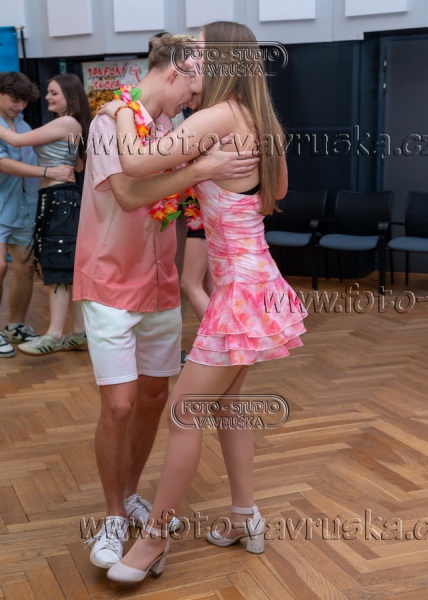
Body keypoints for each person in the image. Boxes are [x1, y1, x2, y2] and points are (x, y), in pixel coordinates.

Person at [99, 20, 307, 584]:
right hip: (257, 282)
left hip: (239, 290)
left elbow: (136, 164)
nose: (190, 60)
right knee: (227, 405)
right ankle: (245, 517)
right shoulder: (259, 118)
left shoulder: (216, 117)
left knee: (184, 411)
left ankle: (153, 540)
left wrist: (121, 110)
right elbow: (278, 192)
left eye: (198, 52)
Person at [73, 33, 259, 570]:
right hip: (110, 283)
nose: (195, 100)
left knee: (155, 398)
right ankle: (113, 515)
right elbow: (130, 194)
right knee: (119, 405)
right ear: (177, 71)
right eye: (194, 88)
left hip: (160, 285)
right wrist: (202, 169)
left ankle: (132, 493)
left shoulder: (172, 130)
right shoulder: (110, 122)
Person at [0, 74, 92, 356]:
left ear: (69, 96)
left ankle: (51, 333)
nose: (47, 98)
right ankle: (74, 332)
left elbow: (17, 142)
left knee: (56, 267)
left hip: (52, 200)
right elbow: (78, 165)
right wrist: (55, 166)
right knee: (60, 267)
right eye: (15, 100)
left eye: (54, 93)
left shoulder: (63, 123)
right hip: (53, 199)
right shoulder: (70, 123)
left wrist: (51, 170)